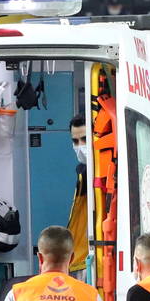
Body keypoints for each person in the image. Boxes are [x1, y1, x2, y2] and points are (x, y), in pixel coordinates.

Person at [68, 115, 90, 276]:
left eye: (84, 139)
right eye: (75, 141)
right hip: (84, 257)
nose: (80, 146)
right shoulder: (83, 173)